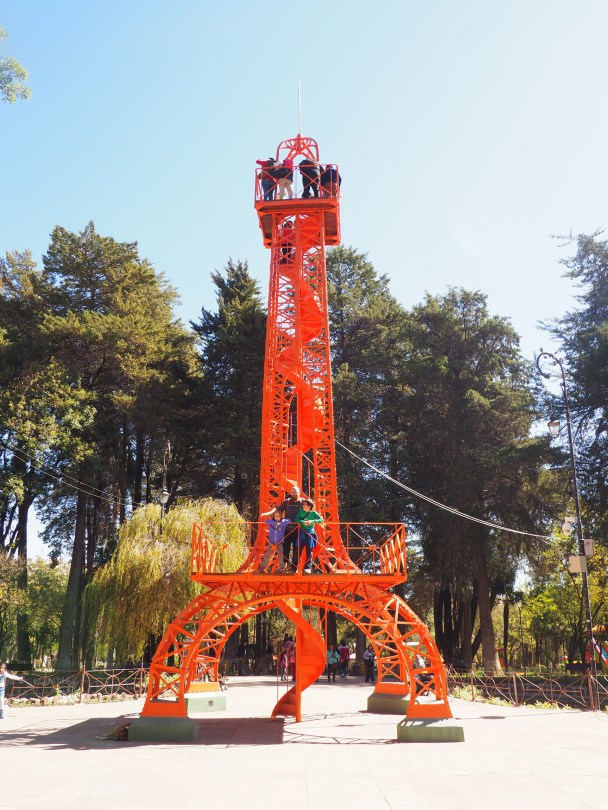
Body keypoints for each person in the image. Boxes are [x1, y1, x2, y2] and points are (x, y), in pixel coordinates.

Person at [262, 486, 304, 571]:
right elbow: (278, 510)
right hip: (287, 529)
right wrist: (267, 513)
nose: (294, 494)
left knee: (296, 548)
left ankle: (294, 567)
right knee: (285, 548)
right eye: (293, 492)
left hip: (298, 529)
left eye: (296, 492)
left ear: (299, 492)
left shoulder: (303, 502)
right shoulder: (287, 502)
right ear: (290, 493)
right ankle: (284, 566)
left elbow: (310, 510)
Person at [294, 498, 323, 572]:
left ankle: (308, 568)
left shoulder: (313, 513)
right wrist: (303, 522)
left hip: (310, 533)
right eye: (303, 504)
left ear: (309, 506)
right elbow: (296, 519)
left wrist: (312, 521)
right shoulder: (301, 511)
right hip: (302, 533)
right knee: (298, 550)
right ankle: (294, 567)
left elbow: (321, 520)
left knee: (309, 551)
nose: (303, 506)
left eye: (305, 504)